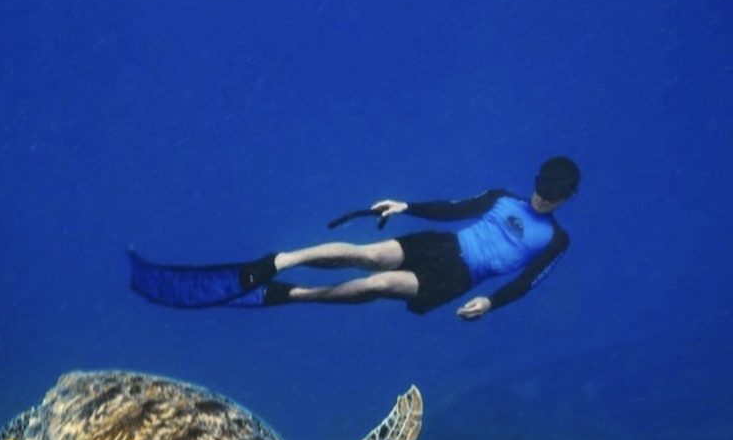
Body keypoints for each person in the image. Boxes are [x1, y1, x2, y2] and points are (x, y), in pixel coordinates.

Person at [129, 156, 580, 320]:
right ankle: (278, 262)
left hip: (460, 279)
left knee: (378, 285)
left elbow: (526, 283)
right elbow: (454, 209)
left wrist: (492, 303)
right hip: (443, 246)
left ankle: (293, 294)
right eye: (540, 186)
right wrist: (407, 206)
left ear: (566, 198)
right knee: (365, 257)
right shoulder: (504, 198)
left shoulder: (555, 241)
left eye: (552, 195)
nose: (541, 197)